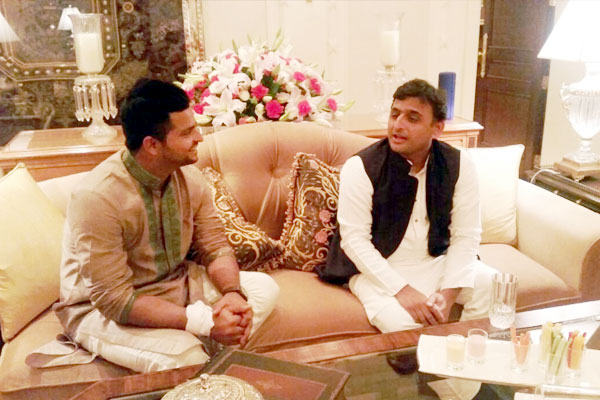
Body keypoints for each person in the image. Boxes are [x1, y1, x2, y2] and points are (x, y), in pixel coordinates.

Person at [53, 78, 279, 373]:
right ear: (152, 145)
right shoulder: (97, 196)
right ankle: (204, 358)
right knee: (187, 359)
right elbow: (113, 299)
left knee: (262, 290)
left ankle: (212, 362)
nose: (199, 138)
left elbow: (215, 247)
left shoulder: (190, 178)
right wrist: (203, 322)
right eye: (187, 133)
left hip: (177, 285)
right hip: (100, 311)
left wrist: (232, 293)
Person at [320, 78, 496, 334]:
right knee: (402, 325)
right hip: (377, 270)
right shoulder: (361, 167)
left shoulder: (459, 164)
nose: (398, 125)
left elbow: (466, 235)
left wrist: (449, 293)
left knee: (493, 286)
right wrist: (401, 290)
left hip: (436, 261)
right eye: (395, 114)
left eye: (412, 118)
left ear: (437, 128)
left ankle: (462, 357)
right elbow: (354, 241)